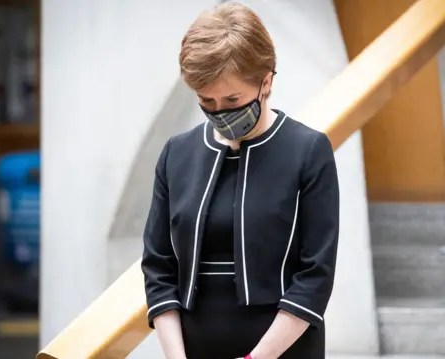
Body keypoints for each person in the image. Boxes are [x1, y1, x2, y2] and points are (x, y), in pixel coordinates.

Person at [141, 2, 340, 358]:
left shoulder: (308, 150)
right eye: (207, 100)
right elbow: (158, 269)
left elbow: (315, 277)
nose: (220, 112)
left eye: (232, 99)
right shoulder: (177, 154)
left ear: (266, 81)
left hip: (284, 350)